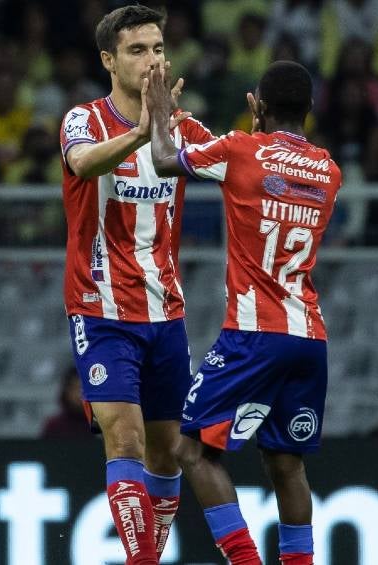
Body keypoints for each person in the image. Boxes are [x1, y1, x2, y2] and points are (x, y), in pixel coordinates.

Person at [147, 60, 343, 565]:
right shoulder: (328, 170)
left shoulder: (241, 149)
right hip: (310, 338)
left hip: (255, 336)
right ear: (311, 110)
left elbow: (167, 159)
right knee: (286, 463)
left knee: (191, 450)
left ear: (256, 105)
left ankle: (246, 562)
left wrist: (159, 107)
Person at [58, 5, 214, 564]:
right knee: (125, 442)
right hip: (100, 310)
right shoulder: (84, 120)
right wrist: (142, 133)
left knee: (169, 454)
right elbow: (82, 164)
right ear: (109, 60)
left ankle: (147, 555)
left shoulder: (182, 128)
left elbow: (230, 165)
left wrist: (273, 145)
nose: (152, 60)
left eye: (157, 49)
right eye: (137, 50)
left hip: (165, 311)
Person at [40, 367, 92, 439]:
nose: (79, 394)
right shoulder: (55, 427)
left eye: (84, 389)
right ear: (66, 391)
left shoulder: (103, 426)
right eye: (75, 388)